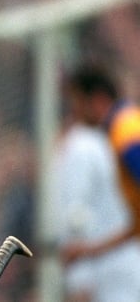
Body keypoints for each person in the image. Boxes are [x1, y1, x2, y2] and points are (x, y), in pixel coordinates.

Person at [62, 62, 140, 266]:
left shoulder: (126, 134)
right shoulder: (123, 130)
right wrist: (89, 251)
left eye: (77, 102)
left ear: (97, 100)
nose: (74, 113)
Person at [52, 120, 140, 301]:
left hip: (107, 278)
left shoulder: (80, 148)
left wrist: (79, 281)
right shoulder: (110, 140)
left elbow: (76, 217)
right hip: (122, 269)